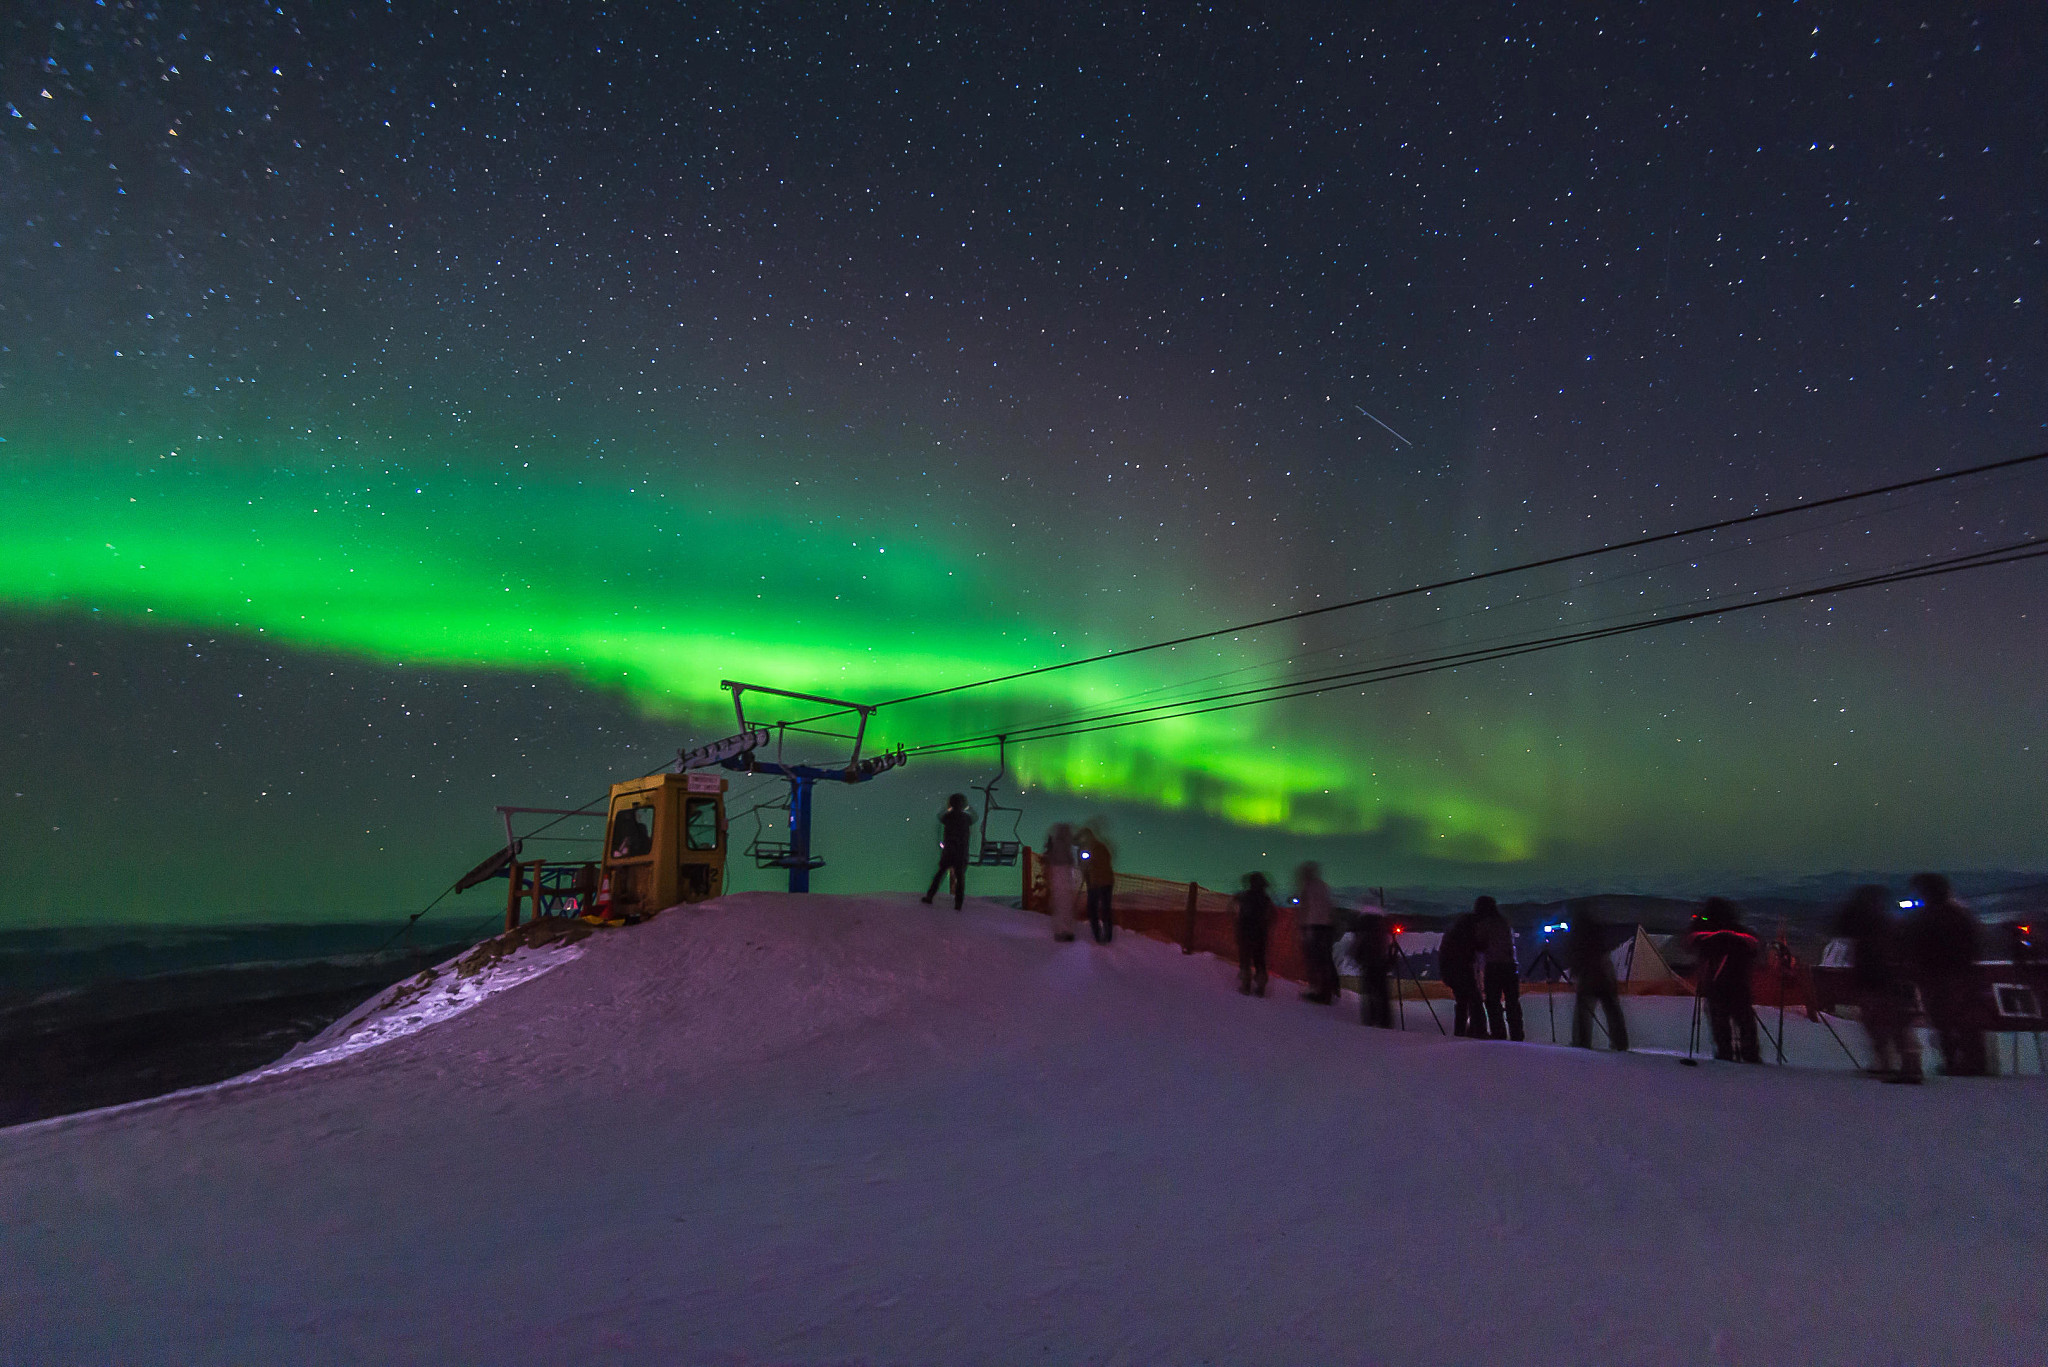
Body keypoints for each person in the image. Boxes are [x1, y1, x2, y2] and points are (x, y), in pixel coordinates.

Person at [1834, 884, 1921, 1083]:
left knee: (1883, 1022)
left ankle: (1899, 1065)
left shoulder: (1868, 926)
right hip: (1890, 979)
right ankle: (1903, 1064)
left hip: (1878, 979)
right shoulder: (1892, 923)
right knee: (1890, 1022)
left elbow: (1843, 927)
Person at [1903, 872, 1987, 1077]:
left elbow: (1915, 947)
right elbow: (1975, 946)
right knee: (1965, 1021)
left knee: (1944, 1020)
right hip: (1963, 974)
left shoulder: (1925, 918)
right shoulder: (1960, 915)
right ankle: (1973, 1062)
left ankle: (1954, 1062)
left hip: (1937, 976)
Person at [1691, 897, 1761, 1063]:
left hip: (1719, 988)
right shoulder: (1739, 934)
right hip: (1737, 987)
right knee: (1744, 1024)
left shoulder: (1707, 935)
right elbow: (1754, 946)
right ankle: (1749, 1058)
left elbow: (1691, 941)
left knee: (1723, 1026)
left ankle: (1727, 1059)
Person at [1565, 912, 1628, 1051]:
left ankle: (1582, 1042)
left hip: (1591, 974)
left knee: (1584, 1009)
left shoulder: (1580, 937)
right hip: (1603, 973)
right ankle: (1620, 1044)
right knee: (1611, 1009)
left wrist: (1575, 973)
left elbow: (1577, 955)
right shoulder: (1597, 936)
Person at [1471, 896, 1524, 1042]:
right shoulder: (1504, 922)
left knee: (1493, 1002)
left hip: (1493, 966)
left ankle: (1499, 1034)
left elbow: (1480, 944)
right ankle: (1517, 1034)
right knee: (1512, 1001)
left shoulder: (1484, 924)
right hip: (1509, 966)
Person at [920, 793, 975, 910]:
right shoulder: (966, 818)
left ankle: (930, 896)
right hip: (961, 853)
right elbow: (974, 818)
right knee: (960, 879)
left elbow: (941, 817)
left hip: (949, 852)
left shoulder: (947, 817)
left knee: (939, 875)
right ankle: (958, 904)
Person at [1295, 862, 1338, 1004]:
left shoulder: (1307, 887)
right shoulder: (1323, 886)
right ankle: (1329, 991)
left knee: (1315, 960)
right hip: (1326, 927)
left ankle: (1318, 992)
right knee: (1325, 959)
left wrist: (1303, 928)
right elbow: (1329, 907)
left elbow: (1305, 909)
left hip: (1313, 927)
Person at [1439, 908, 1485, 1038]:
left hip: (1452, 973)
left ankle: (1461, 1032)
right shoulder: (1466, 935)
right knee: (1474, 1002)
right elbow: (1478, 947)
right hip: (1462, 972)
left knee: (1462, 1003)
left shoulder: (1452, 934)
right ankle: (1478, 1032)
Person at [1351, 907, 1393, 1028]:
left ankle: (1371, 1021)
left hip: (1368, 966)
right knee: (1381, 995)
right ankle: (1384, 1023)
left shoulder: (1363, 931)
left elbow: (1357, 951)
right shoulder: (1380, 930)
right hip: (1379, 966)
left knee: (1370, 995)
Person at [1235, 872, 1274, 996]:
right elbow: (1270, 915)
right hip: (1261, 932)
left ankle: (1246, 984)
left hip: (1246, 931)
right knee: (1260, 959)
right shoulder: (1266, 899)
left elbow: (1241, 914)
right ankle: (1261, 986)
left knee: (1245, 957)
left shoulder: (1245, 896)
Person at [1076, 824, 1117, 943]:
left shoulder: (1091, 848)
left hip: (1096, 883)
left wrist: (1088, 866)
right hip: (1106, 881)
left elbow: (1088, 865)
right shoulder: (1100, 846)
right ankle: (1107, 936)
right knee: (1105, 908)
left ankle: (1099, 936)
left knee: (1093, 908)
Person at [1042, 822, 1079, 942]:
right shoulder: (1065, 848)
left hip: (1059, 880)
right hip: (1064, 879)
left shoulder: (1057, 847)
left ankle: (1061, 932)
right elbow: (1071, 862)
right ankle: (1066, 932)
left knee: (1060, 907)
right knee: (1065, 907)